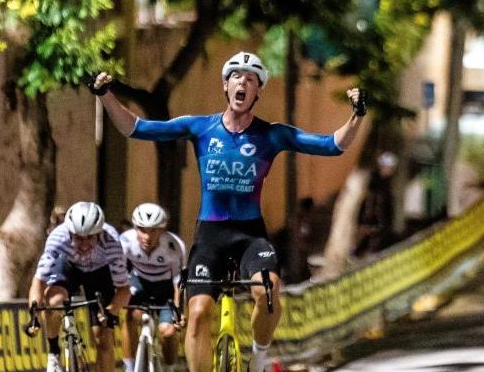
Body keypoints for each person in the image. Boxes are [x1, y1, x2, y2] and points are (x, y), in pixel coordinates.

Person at [88, 51, 366, 372]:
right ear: (225, 85)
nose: (243, 83)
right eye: (237, 77)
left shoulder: (271, 134)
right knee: (198, 314)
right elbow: (135, 128)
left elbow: (332, 145)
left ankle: (259, 357)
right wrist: (104, 95)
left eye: (251, 79)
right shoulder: (201, 128)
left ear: (258, 91)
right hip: (211, 235)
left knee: (270, 290)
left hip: (250, 235)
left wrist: (357, 115)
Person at [28, 201, 130, 372]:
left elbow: (123, 290)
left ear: (99, 233)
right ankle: (54, 352)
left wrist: (110, 311)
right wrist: (34, 314)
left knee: (103, 338)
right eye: (78, 238)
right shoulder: (58, 238)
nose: (84, 244)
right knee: (54, 302)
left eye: (89, 238)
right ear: (69, 233)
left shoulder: (111, 242)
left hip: (100, 272)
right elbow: (39, 282)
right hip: (69, 268)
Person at [119, 203, 186, 372]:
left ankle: (170, 368)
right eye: (142, 230)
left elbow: (179, 282)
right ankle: (129, 367)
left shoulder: (174, 246)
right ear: (135, 228)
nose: (147, 237)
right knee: (131, 316)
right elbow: (119, 274)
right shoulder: (125, 242)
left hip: (166, 289)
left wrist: (179, 310)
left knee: (168, 332)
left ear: (162, 230)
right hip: (139, 283)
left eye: (153, 231)